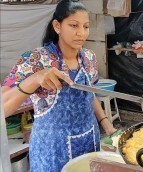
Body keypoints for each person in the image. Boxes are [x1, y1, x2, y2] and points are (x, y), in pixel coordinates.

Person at [1, 0, 116, 171]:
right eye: (73, 25)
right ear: (57, 26)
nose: (81, 33)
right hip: (52, 151)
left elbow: (89, 94)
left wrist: (105, 122)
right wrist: (35, 79)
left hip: (89, 142)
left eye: (86, 26)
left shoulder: (89, 58)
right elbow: (3, 106)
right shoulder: (35, 60)